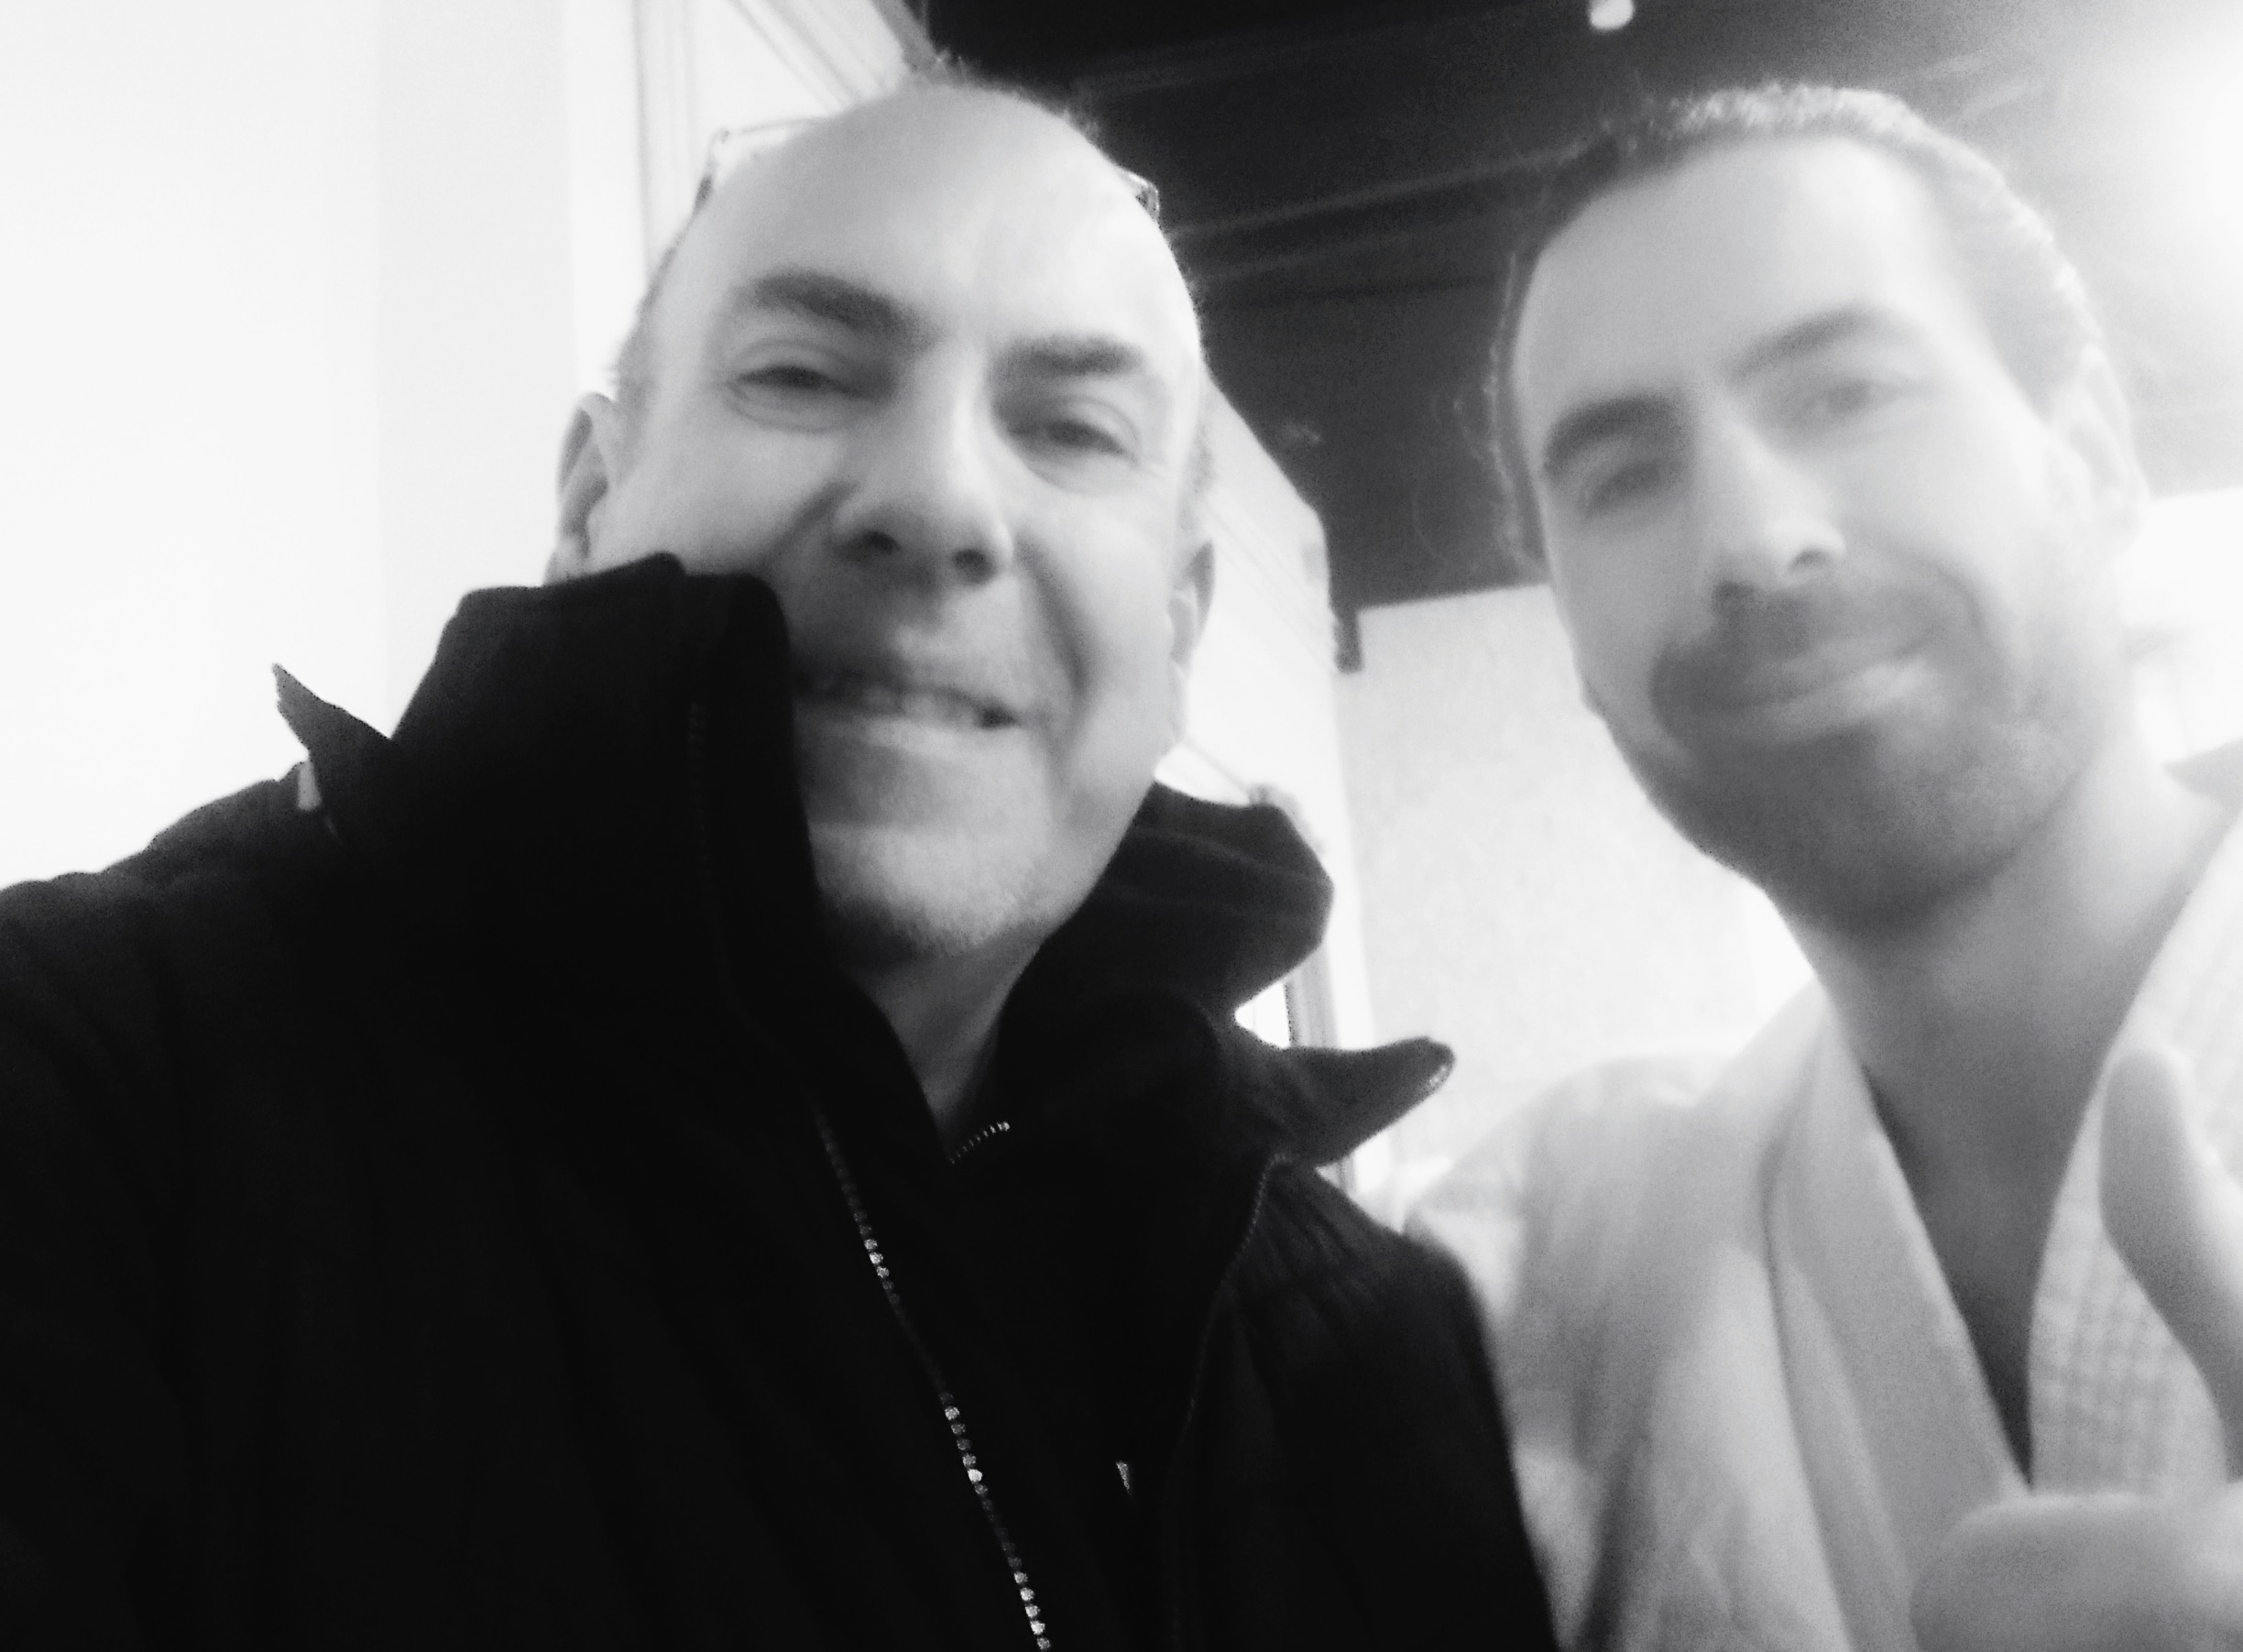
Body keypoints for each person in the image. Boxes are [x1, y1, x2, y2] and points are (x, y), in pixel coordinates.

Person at [0, 82, 1556, 1649]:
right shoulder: (94, 1078)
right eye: (804, 375)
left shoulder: (1374, 1344)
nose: (939, 501)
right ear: (589, 502)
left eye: (1074, 430)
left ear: (1181, 620)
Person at [1414, 83, 2243, 1652]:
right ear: (1570, 635)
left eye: (1847, 394)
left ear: (2091, 457)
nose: (1749, 537)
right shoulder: (1560, 1281)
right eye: (1623, 475)